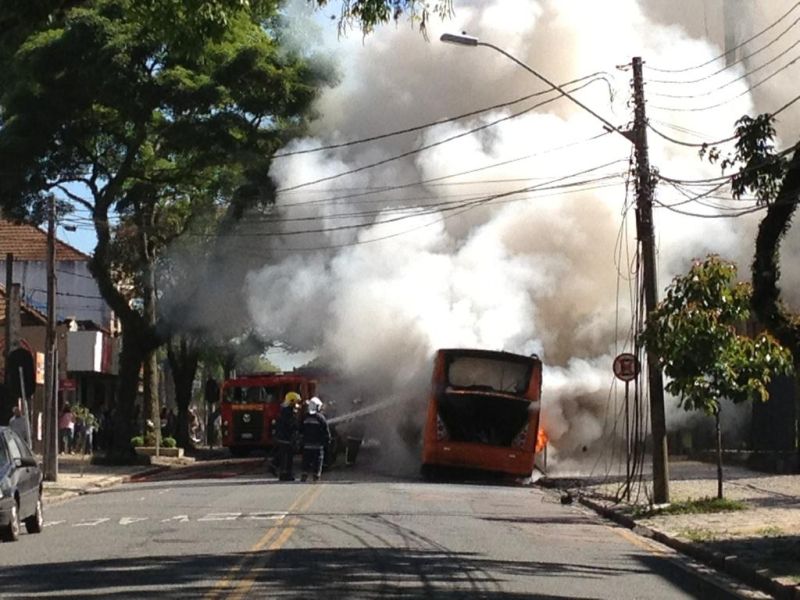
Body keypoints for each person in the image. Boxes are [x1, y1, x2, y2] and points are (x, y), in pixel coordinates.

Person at [300, 396, 330, 482]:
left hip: (307, 445)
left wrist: (302, 441)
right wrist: (327, 441)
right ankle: (316, 476)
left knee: (306, 460)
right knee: (318, 460)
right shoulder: (321, 418)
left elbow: (301, 429)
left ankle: (304, 475)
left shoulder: (305, 417)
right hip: (318, 445)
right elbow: (326, 431)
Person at [273, 392, 300, 481]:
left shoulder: (284, 411)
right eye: (296, 402)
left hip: (283, 438)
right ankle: (286, 474)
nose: (297, 405)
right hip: (286, 438)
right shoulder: (288, 412)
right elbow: (292, 425)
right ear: (291, 402)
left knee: (284, 456)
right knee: (287, 458)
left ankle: (284, 473)